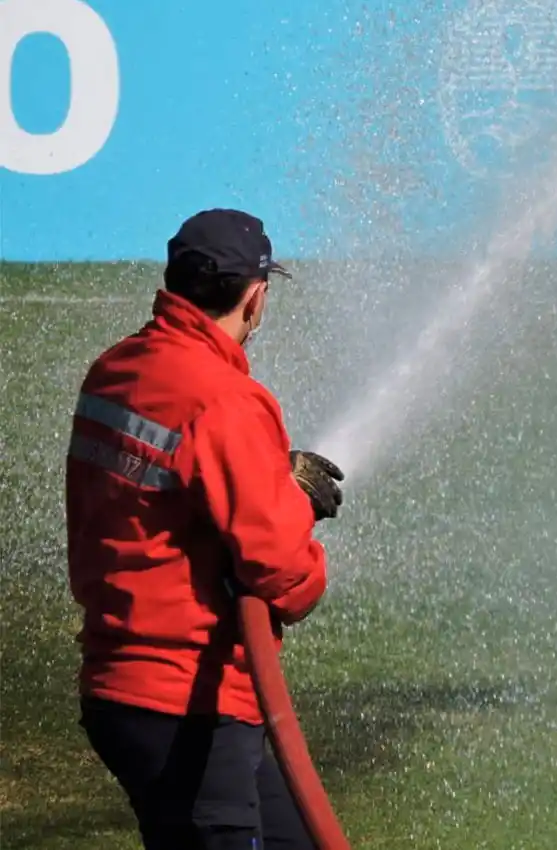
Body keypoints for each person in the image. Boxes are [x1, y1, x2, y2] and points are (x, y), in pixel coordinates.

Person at [65, 208, 345, 850]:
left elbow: (171, 494)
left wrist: (268, 477)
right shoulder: (224, 399)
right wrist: (295, 507)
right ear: (255, 297)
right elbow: (285, 577)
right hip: (188, 704)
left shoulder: (115, 369)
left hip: (122, 692)